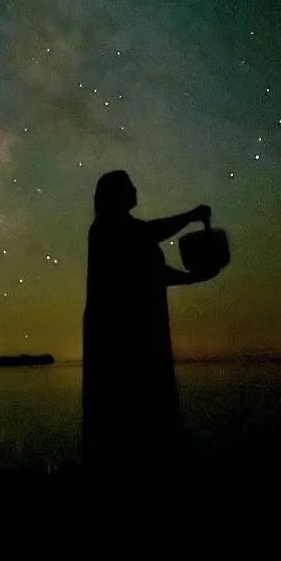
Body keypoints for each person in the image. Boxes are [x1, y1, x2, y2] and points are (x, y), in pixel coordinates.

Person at [82, 169, 217, 473]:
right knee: (125, 400)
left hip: (144, 327)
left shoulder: (129, 231)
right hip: (119, 334)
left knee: (149, 397)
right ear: (115, 194)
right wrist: (192, 215)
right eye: (129, 186)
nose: (135, 190)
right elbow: (149, 233)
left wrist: (192, 278)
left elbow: (156, 274)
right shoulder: (106, 229)